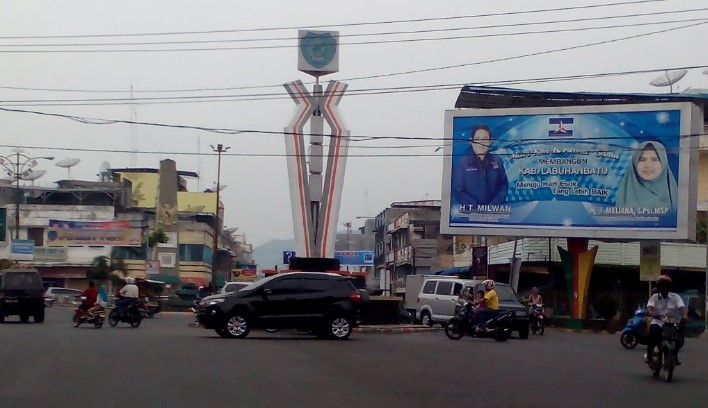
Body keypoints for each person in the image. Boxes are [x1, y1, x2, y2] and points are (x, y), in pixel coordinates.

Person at [452, 125, 509, 207]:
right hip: (470, 214)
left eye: (485, 139)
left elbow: (503, 186)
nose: (481, 143)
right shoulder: (461, 163)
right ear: (471, 141)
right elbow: (458, 191)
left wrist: (493, 206)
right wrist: (476, 208)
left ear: (490, 141)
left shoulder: (497, 161)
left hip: (494, 213)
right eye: (478, 139)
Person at [616, 141, 678, 212]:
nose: (648, 165)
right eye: (642, 160)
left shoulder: (674, 195)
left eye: (654, 159)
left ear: (663, 162)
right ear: (635, 163)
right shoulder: (623, 194)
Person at [645, 275, 687, 366]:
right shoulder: (654, 297)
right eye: (662, 285)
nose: (664, 287)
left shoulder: (676, 297)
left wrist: (684, 315)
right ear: (658, 287)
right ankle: (649, 355)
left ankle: (674, 355)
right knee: (653, 333)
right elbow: (650, 308)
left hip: (672, 322)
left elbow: (682, 307)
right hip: (658, 321)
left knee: (679, 337)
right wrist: (652, 313)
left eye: (666, 285)